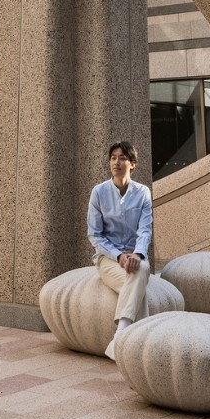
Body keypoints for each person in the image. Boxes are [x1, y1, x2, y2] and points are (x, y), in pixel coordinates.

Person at [86, 140, 153, 361]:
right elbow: (95, 235)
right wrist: (119, 256)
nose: (116, 162)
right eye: (113, 158)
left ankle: (121, 337)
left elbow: (145, 230)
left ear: (132, 164)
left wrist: (137, 254)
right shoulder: (99, 192)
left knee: (140, 270)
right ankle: (136, 343)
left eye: (122, 158)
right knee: (137, 283)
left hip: (134, 255)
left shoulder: (142, 193)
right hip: (107, 258)